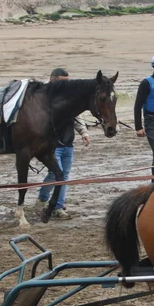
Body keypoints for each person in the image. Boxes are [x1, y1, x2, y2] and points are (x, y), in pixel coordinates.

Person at [36, 67, 90, 219]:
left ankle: (57, 206)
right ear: (52, 80)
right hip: (52, 144)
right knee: (55, 174)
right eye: (62, 82)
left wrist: (84, 133)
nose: (66, 86)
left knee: (63, 176)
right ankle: (44, 199)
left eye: (68, 82)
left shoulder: (69, 97)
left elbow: (77, 117)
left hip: (68, 143)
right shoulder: (44, 98)